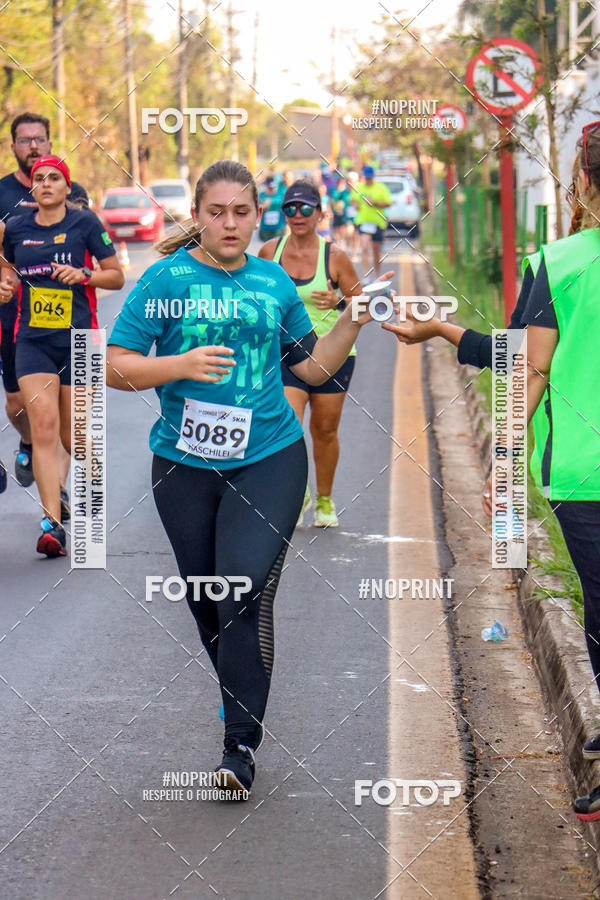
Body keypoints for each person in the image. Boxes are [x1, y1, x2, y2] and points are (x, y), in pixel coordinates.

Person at [105, 160, 377, 796]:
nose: (230, 223)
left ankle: (239, 745)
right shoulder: (165, 279)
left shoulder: (272, 281)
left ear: (258, 217)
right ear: (197, 215)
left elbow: (309, 369)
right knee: (207, 602)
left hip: (270, 457)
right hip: (182, 465)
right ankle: (237, 702)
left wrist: (353, 320)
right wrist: (179, 364)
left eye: (242, 212)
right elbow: (115, 365)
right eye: (217, 211)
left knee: (244, 592)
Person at [388, 124, 600, 822]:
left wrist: (504, 464)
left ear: (580, 181)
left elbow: (527, 367)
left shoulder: (560, 262)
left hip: (583, 472)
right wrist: (447, 332)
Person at [0, 155, 123, 556]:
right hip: (32, 341)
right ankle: (51, 525)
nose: (47, 183)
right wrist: (3, 287)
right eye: (40, 178)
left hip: (79, 340)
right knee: (45, 426)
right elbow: (6, 272)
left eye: (55, 178)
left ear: (67, 187)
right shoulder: (15, 229)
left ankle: (88, 502)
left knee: (76, 436)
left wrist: (86, 275)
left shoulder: (84, 224)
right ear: (32, 188)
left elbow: (115, 275)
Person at [259, 179, 391, 527]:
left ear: (319, 213)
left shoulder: (335, 257)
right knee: (287, 424)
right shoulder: (269, 252)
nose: (298, 215)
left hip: (334, 351)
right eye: (290, 208)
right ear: (283, 213)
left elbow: (363, 307)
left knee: (325, 429)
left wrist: (339, 300)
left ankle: (325, 501)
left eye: (305, 208)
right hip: (287, 351)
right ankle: (298, 488)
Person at [0, 112, 88, 512]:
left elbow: (91, 254)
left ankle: (57, 500)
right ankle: (30, 442)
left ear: (50, 144)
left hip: (66, 328)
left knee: (66, 427)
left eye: (39, 139)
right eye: (24, 140)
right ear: (14, 146)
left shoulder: (74, 194)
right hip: (13, 322)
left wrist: (85, 277)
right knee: (18, 406)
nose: (32, 145)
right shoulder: (1, 194)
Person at [353, 165, 391, 278]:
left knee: (376, 250)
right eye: (366, 177)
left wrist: (374, 203)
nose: (368, 180)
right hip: (363, 221)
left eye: (370, 177)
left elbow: (388, 203)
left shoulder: (381, 188)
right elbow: (352, 200)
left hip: (377, 222)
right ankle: (366, 275)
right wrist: (355, 205)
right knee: (364, 247)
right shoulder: (358, 187)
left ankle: (377, 274)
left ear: (373, 176)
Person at [257, 176, 285, 243]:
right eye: (269, 187)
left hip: (278, 228)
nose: (271, 189)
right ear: (266, 186)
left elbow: (267, 204)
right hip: (265, 228)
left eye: (273, 187)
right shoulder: (261, 195)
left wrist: (267, 203)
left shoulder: (280, 195)